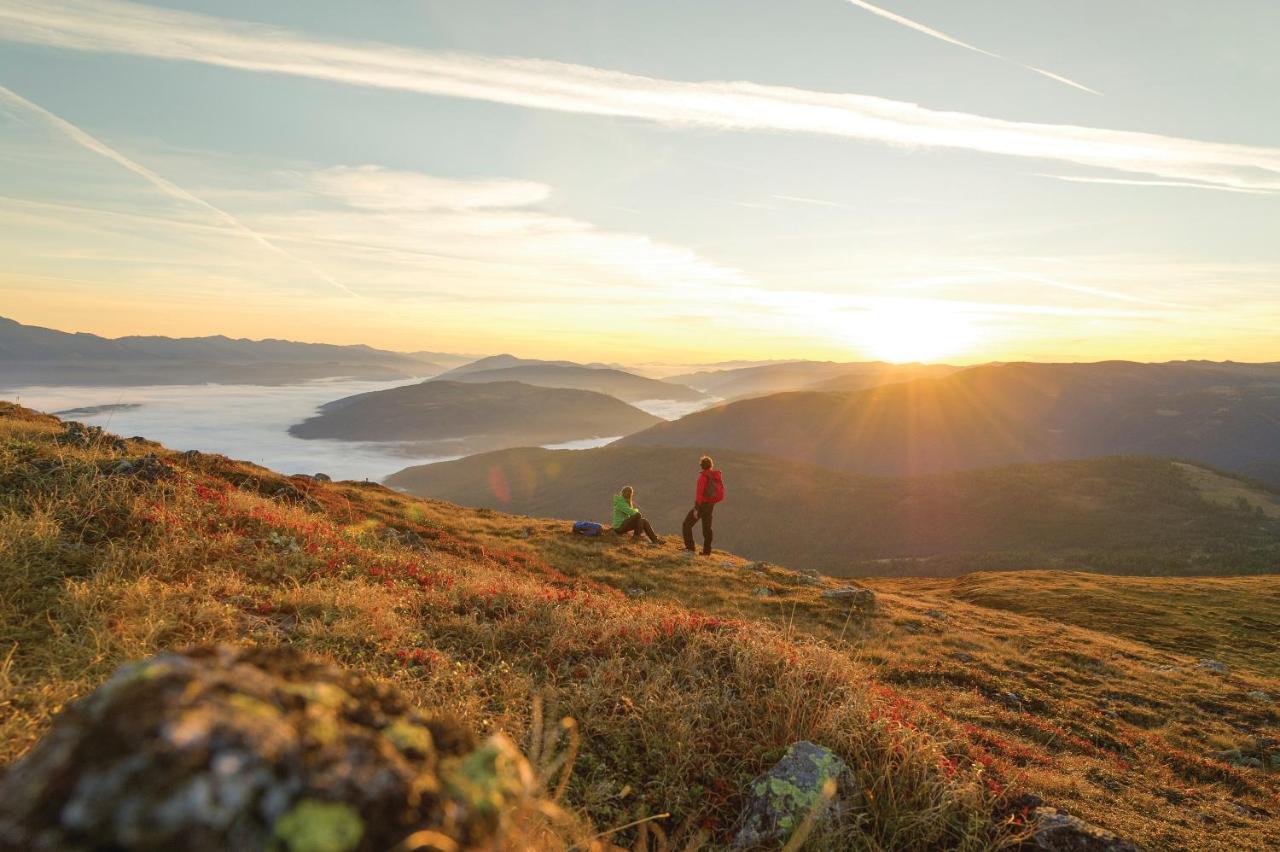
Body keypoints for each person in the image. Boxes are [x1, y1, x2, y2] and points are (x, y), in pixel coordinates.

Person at [682, 455, 724, 556]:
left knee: (686, 524)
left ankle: (690, 548)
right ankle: (706, 552)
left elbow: (699, 494)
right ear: (711, 465)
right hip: (711, 505)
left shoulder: (703, 477)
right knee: (707, 528)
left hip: (702, 505)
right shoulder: (715, 476)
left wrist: (696, 508)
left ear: (701, 466)